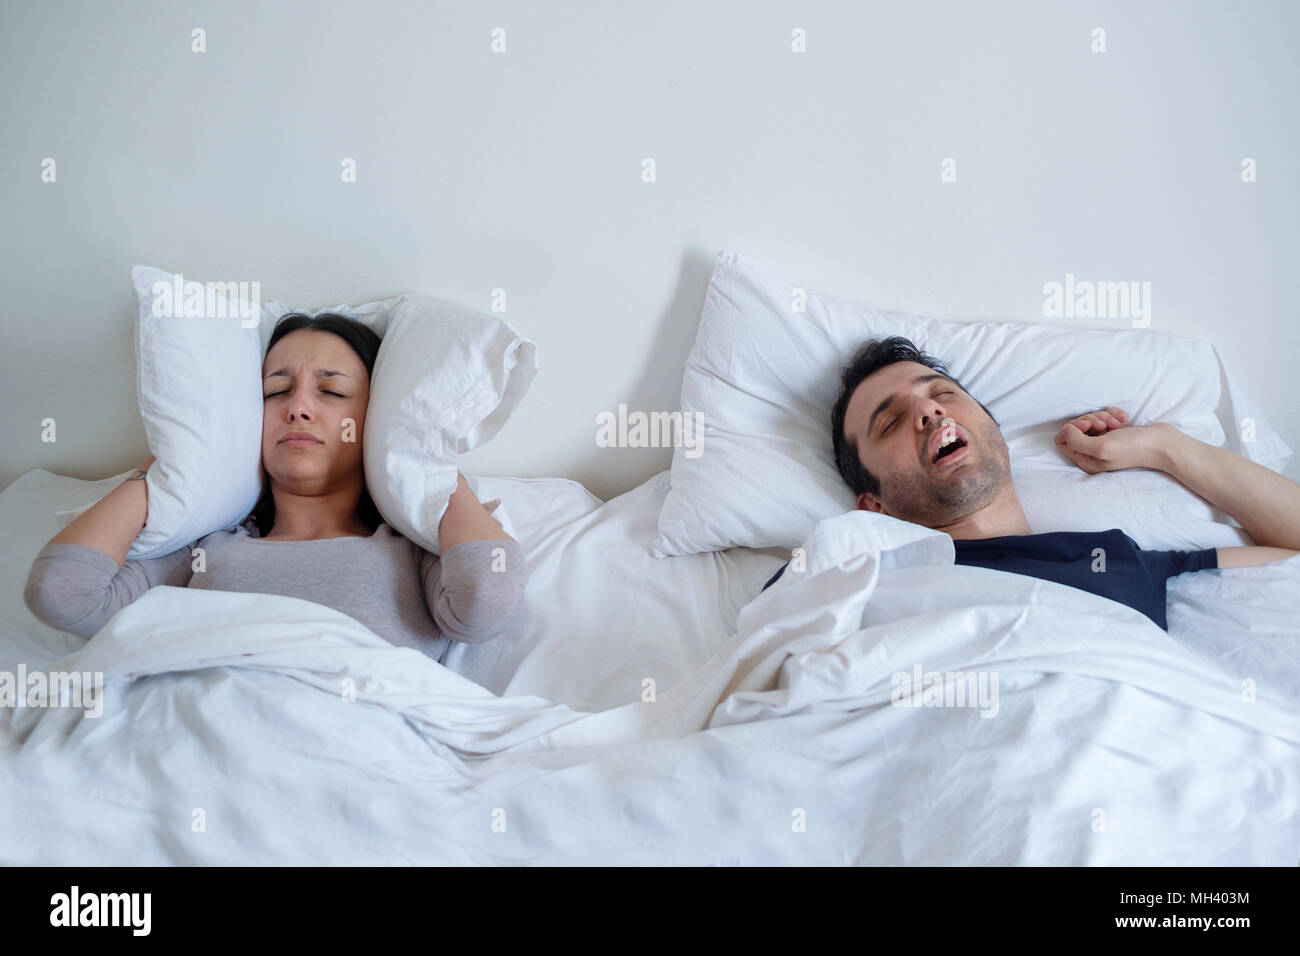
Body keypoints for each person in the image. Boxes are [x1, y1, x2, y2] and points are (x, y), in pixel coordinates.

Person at [24, 312, 527, 663]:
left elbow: (486, 602)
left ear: (374, 420)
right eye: (276, 391)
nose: (298, 407)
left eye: (331, 391)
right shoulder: (205, 550)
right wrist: (177, 465)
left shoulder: (410, 553)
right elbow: (62, 594)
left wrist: (425, 456)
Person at [761, 336, 1300, 631]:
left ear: (995, 432)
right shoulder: (847, 569)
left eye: (942, 394)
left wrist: (1166, 447)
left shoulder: (1115, 560)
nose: (927, 410)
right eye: (890, 421)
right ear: (873, 508)